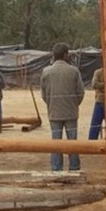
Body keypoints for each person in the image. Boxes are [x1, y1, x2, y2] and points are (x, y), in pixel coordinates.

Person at [40, 43, 85, 172]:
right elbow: (80, 92)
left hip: (54, 112)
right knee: (72, 141)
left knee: (56, 142)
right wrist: (75, 104)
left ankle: (56, 168)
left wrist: (50, 103)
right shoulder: (73, 71)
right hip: (71, 111)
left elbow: (44, 94)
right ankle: (74, 167)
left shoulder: (46, 71)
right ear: (65, 55)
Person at [88, 67, 105, 140]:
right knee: (95, 125)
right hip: (100, 101)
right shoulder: (98, 72)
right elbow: (94, 84)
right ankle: (92, 141)